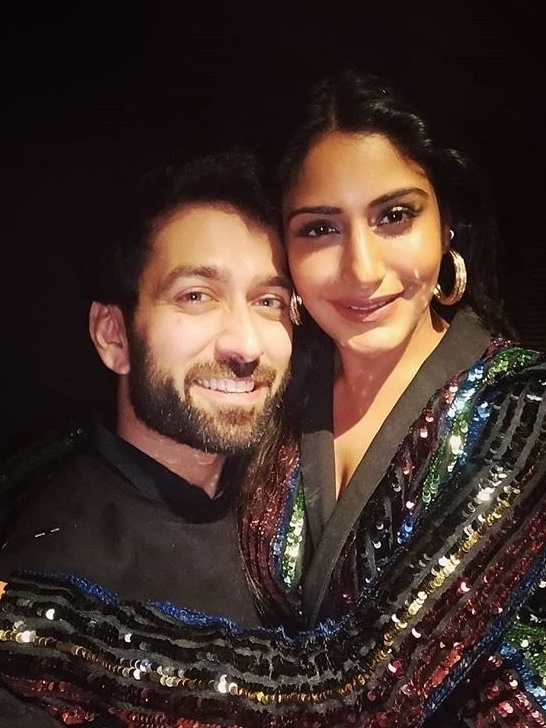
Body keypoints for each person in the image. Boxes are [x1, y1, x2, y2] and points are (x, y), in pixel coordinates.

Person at [1, 67, 546, 728]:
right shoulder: (294, 386)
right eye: (319, 229)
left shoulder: (524, 411)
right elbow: (110, 445)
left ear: (447, 224)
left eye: (394, 216)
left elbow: (363, 695)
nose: (363, 268)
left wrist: (42, 627)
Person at [0, 148, 295, 725]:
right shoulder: (48, 588)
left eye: (269, 302)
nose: (246, 345)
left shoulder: (302, 490)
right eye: (195, 296)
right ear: (113, 336)